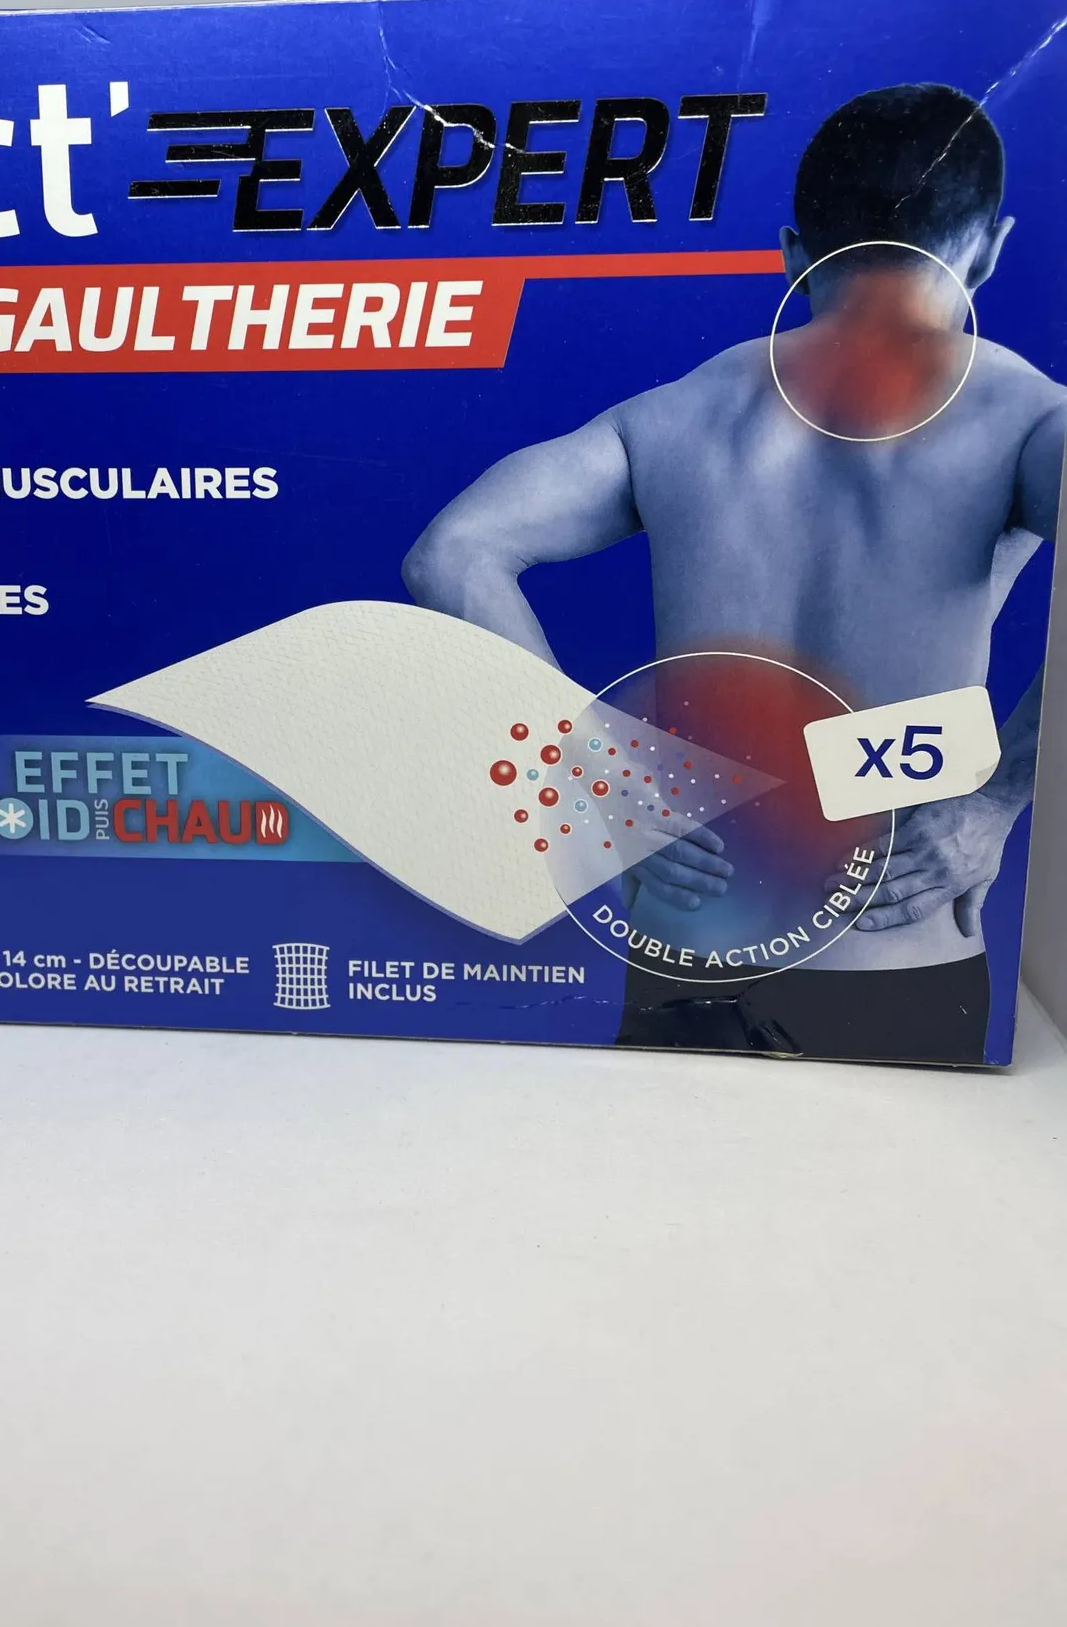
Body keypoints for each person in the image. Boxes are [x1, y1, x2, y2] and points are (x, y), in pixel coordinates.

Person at [403, 85, 1066, 1060]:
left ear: (794, 251)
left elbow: (452, 552)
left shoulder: (673, 415)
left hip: (690, 949)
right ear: (991, 248)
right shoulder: (1029, 418)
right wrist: (996, 801)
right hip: (897, 947)